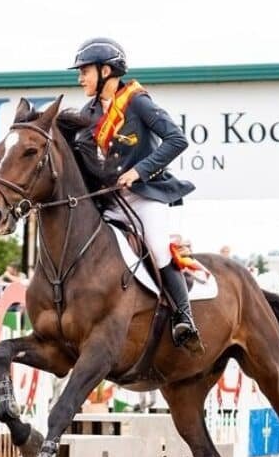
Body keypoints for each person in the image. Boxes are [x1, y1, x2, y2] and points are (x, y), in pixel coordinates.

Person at [65, 37, 200, 350]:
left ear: (107, 71)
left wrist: (139, 170)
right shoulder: (89, 111)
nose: (80, 78)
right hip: (110, 200)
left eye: (85, 71)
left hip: (145, 194)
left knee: (156, 247)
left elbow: (176, 140)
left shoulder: (137, 102)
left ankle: (184, 316)